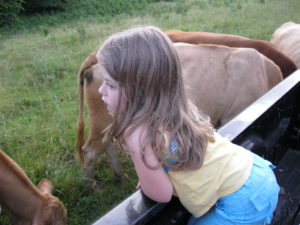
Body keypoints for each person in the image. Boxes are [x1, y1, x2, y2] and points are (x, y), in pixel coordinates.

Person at [96, 25, 280, 225]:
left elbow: (161, 194)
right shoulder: (178, 109)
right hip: (256, 173)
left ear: (140, 89)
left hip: (243, 201)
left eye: (110, 84)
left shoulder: (137, 134)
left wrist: (149, 178)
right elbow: (173, 153)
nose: (100, 90)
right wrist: (154, 172)